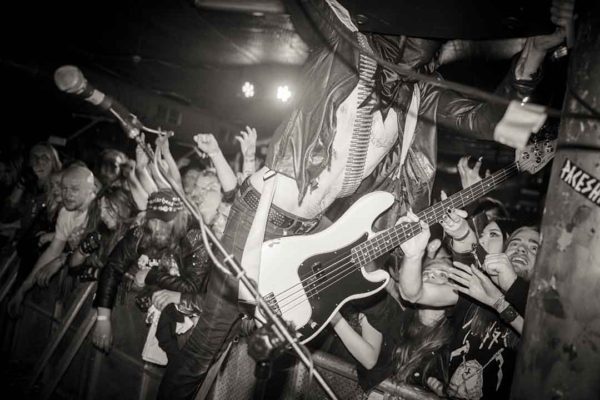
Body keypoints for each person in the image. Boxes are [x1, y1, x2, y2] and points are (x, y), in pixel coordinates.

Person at [159, 1, 573, 397]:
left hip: (310, 233)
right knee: (209, 341)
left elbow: (496, 124)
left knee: (262, 345)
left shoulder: (420, 96)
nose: (426, 39)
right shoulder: (347, 44)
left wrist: (535, 53)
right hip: (262, 212)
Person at [91, 189, 211, 355]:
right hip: (139, 317)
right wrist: (103, 318)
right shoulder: (143, 230)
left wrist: (152, 275)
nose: (157, 227)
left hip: (182, 325)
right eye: (153, 219)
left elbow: (193, 287)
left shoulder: (196, 238)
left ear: (179, 219)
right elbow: (113, 266)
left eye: (164, 221)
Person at [8, 165, 96, 317]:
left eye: (74, 189)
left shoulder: (99, 212)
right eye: (64, 188)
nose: (67, 194)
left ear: (90, 190)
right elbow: (53, 250)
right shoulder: (66, 212)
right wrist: (23, 289)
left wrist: (62, 260)